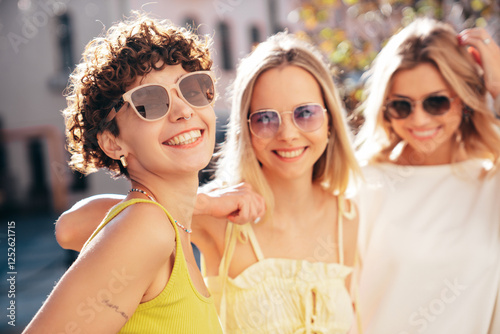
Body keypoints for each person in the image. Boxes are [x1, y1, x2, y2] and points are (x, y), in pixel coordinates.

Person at [55, 32, 362, 333]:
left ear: (330, 118)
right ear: (245, 128)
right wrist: (205, 204)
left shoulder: (347, 217)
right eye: (266, 118)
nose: (288, 134)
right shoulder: (218, 216)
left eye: (305, 113)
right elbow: (72, 228)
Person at [23, 13, 223, 333]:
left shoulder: (165, 227)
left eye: (193, 88)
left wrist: (206, 204)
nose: (184, 110)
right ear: (113, 142)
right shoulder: (147, 229)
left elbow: (69, 226)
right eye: (149, 102)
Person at [354, 18, 500, 334]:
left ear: (464, 99)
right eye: (401, 106)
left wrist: (499, 86)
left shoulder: (492, 182)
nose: (419, 120)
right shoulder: (362, 184)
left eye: (436, 102)